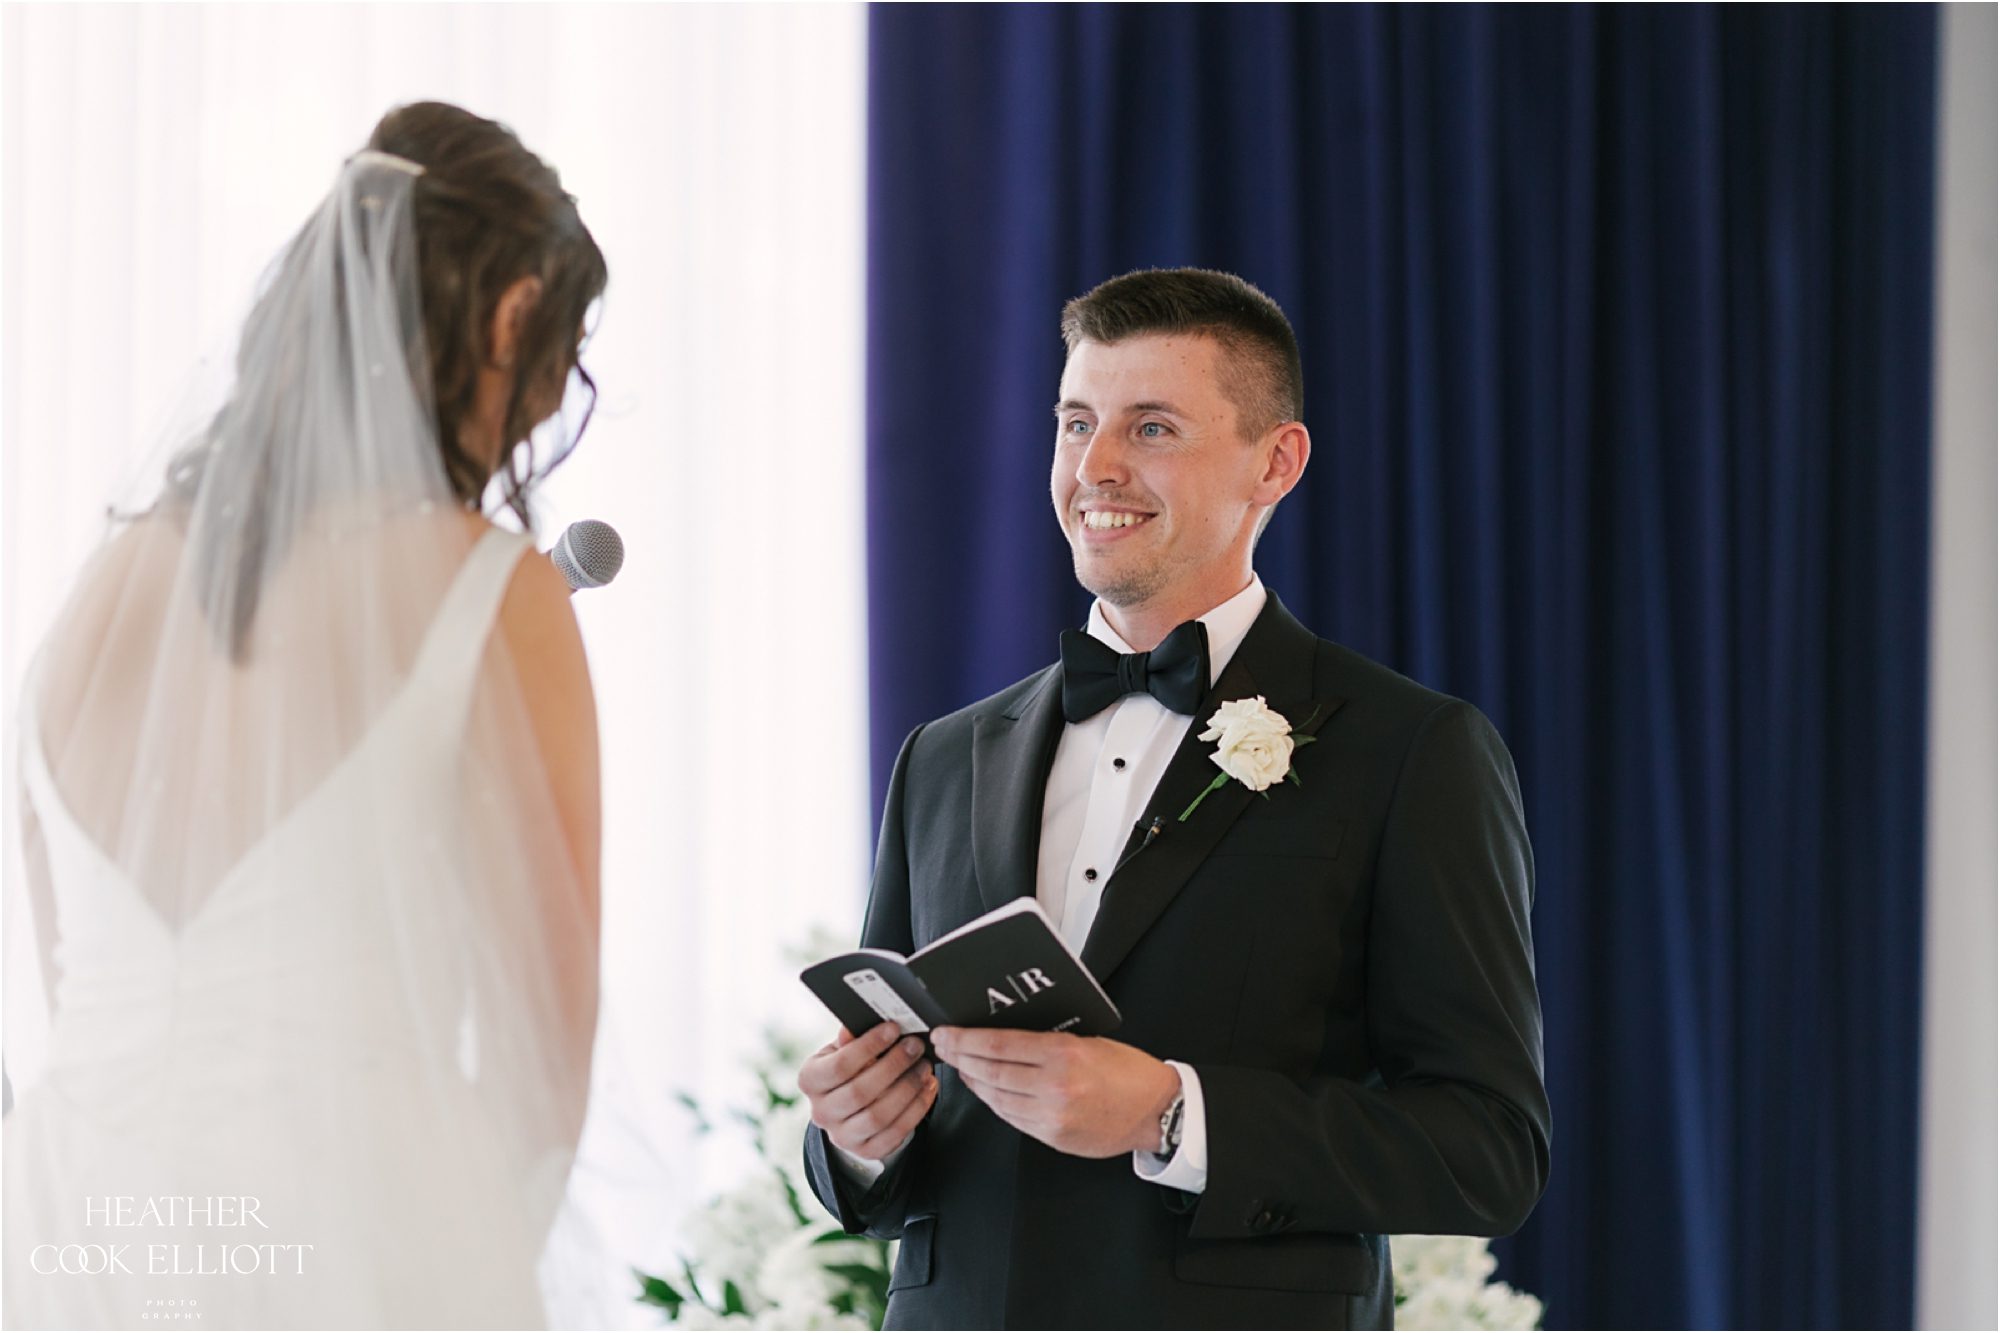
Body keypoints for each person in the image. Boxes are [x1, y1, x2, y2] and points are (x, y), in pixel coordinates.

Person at [796, 268, 1550, 1329]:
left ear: (1274, 462)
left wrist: (1169, 1111)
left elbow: (1488, 1150)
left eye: (1150, 427)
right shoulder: (943, 756)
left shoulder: (1412, 750)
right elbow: (894, 1146)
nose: (1094, 466)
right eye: (1075, 423)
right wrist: (853, 1136)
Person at [2, 102, 607, 1329]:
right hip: (362, 1234)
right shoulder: (493, 590)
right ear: (511, 314)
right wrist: (478, 1262)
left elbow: (67, 974)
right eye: (563, 353)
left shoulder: (103, 591)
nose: (548, 406)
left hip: (70, 1235)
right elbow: (547, 1043)